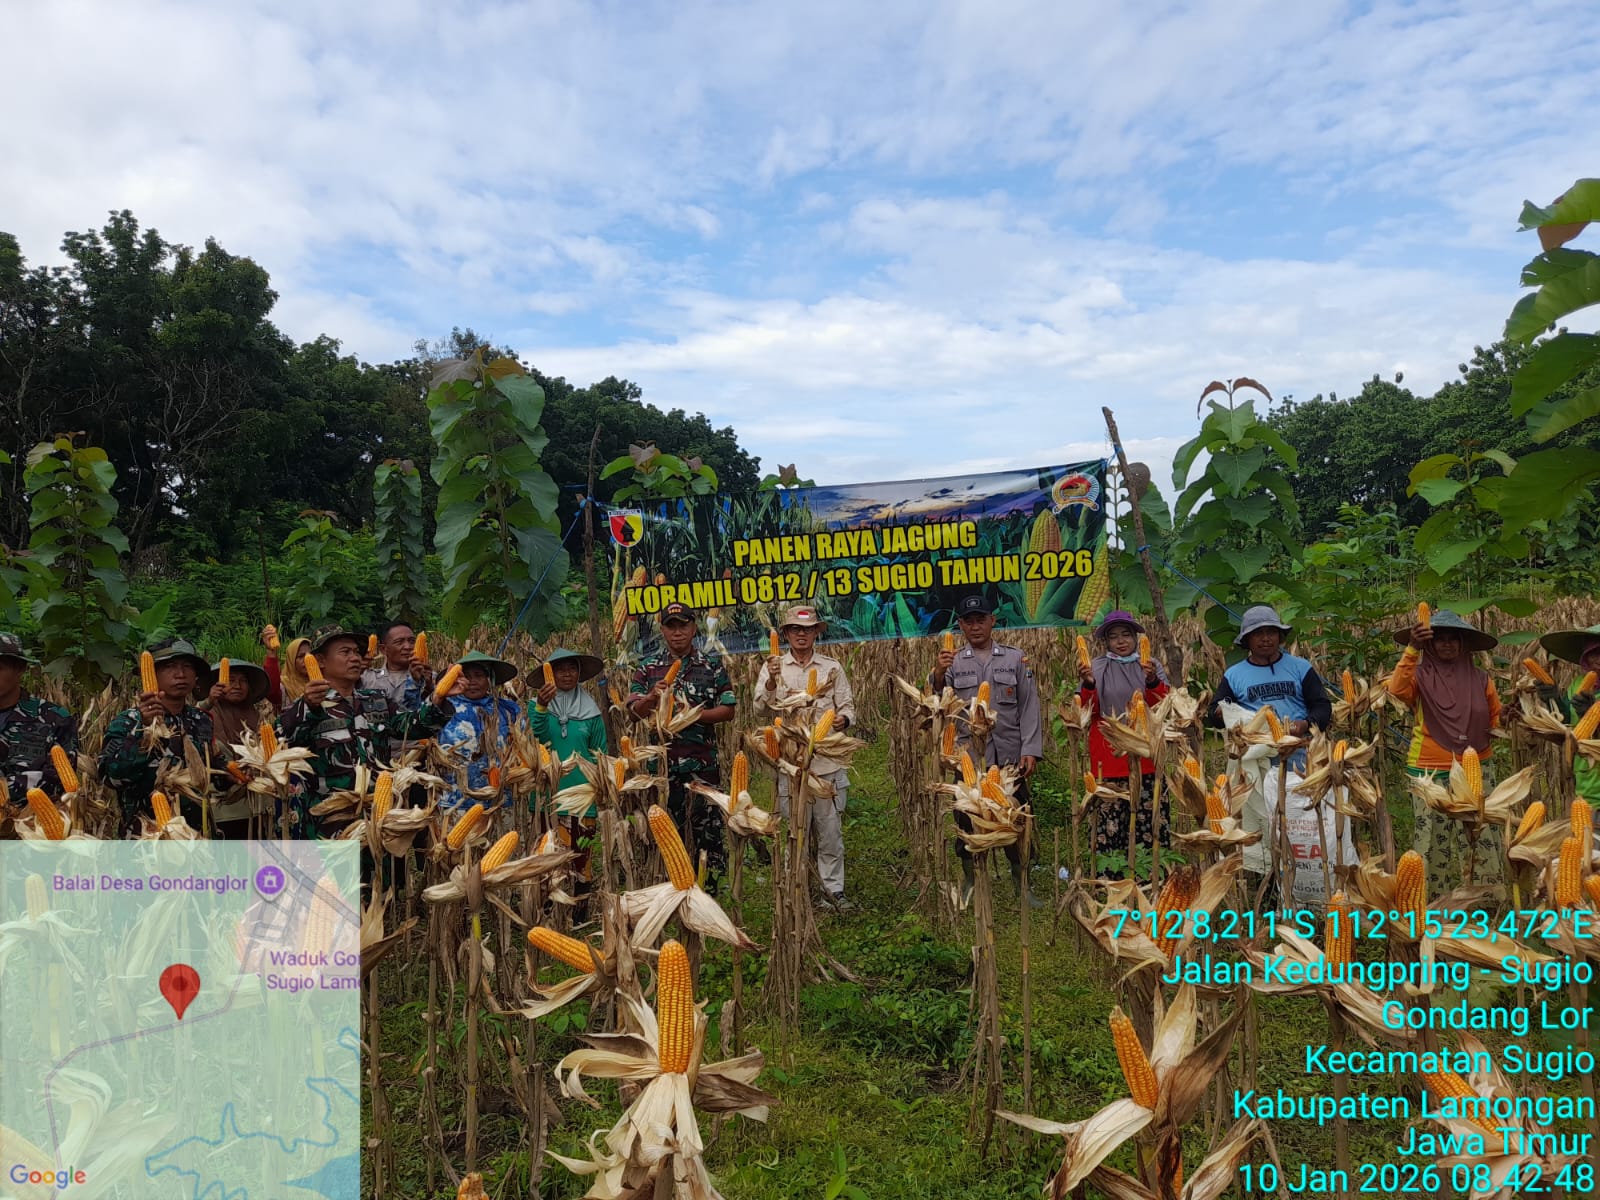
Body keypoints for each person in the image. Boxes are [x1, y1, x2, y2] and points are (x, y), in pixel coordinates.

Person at [279, 626, 454, 837]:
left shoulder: (376, 700)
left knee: (380, 869)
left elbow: (414, 726)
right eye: (345, 652)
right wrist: (307, 706)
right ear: (320, 661)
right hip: (330, 821)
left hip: (377, 815)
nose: (354, 658)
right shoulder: (307, 707)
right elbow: (281, 742)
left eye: (356, 652)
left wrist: (438, 699)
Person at [931, 593, 1044, 905]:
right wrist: (939, 673)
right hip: (968, 757)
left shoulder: (1014, 658)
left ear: (993, 621)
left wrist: (1031, 749)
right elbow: (940, 701)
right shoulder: (953, 662)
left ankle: (1022, 886)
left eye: (981, 619)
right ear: (961, 625)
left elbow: (1029, 706)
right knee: (966, 821)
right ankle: (972, 881)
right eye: (969, 621)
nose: (975, 626)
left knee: (1016, 820)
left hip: (1008, 757)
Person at [1389, 608, 1503, 893]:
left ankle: (1483, 900)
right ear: (1430, 643)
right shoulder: (1418, 676)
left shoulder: (1482, 680)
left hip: (1476, 767)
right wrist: (1412, 648)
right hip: (1429, 769)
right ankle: (1431, 902)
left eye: (1454, 639)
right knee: (1431, 840)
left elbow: (1495, 722)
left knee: (1480, 835)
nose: (1447, 644)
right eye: (1440, 639)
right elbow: (1396, 690)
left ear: (1464, 644)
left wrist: (1511, 719)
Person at [628, 603, 737, 892]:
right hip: (662, 769)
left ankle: (710, 889)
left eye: (683, 625)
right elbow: (632, 711)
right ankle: (668, 887)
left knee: (708, 830)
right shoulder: (648, 668)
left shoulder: (711, 665)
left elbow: (728, 709)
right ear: (662, 630)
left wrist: (691, 714)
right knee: (665, 831)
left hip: (703, 766)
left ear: (694, 627)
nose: (677, 632)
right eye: (671, 626)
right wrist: (652, 697)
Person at [758, 604, 857, 911]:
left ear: (816, 632)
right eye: (795, 630)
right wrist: (772, 682)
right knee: (794, 829)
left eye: (808, 629)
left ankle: (833, 891)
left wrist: (842, 720)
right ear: (786, 633)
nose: (802, 635)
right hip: (791, 763)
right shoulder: (772, 668)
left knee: (829, 832)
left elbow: (848, 708)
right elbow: (760, 709)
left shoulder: (832, 667)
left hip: (826, 762)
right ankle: (794, 888)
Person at [1077, 610, 1169, 879]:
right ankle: (1110, 879)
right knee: (1111, 822)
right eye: (1113, 636)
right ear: (1105, 641)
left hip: (1147, 754)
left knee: (1149, 818)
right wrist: (1089, 684)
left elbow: (1163, 706)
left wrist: (1151, 680)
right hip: (1109, 757)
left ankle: (1151, 878)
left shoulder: (1151, 666)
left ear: (1136, 636)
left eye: (1126, 635)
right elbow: (1084, 711)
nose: (1120, 641)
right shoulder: (1095, 667)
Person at [100, 637, 219, 834]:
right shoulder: (128, 721)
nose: (180, 674)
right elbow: (111, 777)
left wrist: (236, 772)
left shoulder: (201, 720)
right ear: (153, 674)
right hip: (146, 836)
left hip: (197, 834)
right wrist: (145, 730)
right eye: (170, 666)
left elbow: (211, 770)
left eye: (187, 666)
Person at [531, 647, 609, 907]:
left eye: (572, 668)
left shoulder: (592, 712)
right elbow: (535, 739)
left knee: (580, 852)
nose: (567, 673)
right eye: (560, 669)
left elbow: (600, 753)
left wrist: (602, 787)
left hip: (582, 794)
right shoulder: (536, 707)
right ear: (549, 674)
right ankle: (548, 904)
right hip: (547, 795)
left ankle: (579, 906)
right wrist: (542, 706)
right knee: (547, 852)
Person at [198, 658, 274, 838]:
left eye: (243, 681)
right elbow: (188, 728)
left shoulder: (259, 718)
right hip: (225, 810)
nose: (237, 686)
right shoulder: (206, 716)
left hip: (260, 807)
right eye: (230, 680)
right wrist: (208, 701)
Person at [437, 651, 523, 810]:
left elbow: (525, 745)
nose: (472, 682)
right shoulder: (442, 708)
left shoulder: (508, 710)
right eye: (466, 676)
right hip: (455, 801)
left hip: (500, 800)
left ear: (489, 679)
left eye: (478, 675)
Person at [0, 632, 78, 802]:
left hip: (33, 823)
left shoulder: (53, 718)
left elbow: (61, 778)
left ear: (20, 669)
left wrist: (5, 792)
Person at [1537, 623, 1600, 810]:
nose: (1598, 658)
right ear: (1585, 656)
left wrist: (1593, 717)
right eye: (1594, 652)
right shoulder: (1579, 683)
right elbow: (1566, 723)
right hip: (1586, 785)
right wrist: (1553, 699)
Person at [362, 621, 433, 709]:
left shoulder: (430, 678)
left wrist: (427, 686)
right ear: (383, 649)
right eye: (399, 642)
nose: (408, 647)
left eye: (412, 641)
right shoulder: (367, 678)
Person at [263, 628, 312, 712]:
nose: (307, 659)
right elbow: (272, 692)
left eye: (311, 654)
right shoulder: (285, 685)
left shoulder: (325, 680)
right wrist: (271, 653)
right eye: (301, 656)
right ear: (291, 661)